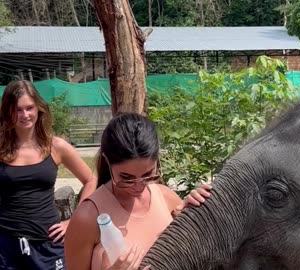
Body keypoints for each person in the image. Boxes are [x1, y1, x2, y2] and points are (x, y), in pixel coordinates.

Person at [64, 112, 212, 270]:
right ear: (107, 161)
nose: (138, 186)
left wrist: (193, 216)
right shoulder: (87, 217)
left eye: (148, 175)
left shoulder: (166, 196)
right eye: (127, 178)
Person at [0, 80, 97, 269]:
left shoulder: (56, 146)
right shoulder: (1, 148)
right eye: (17, 109)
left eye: (29, 108)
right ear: (7, 111)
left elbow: (91, 180)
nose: (25, 115)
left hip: (48, 242)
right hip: (7, 244)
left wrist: (74, 221)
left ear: (39, 108)